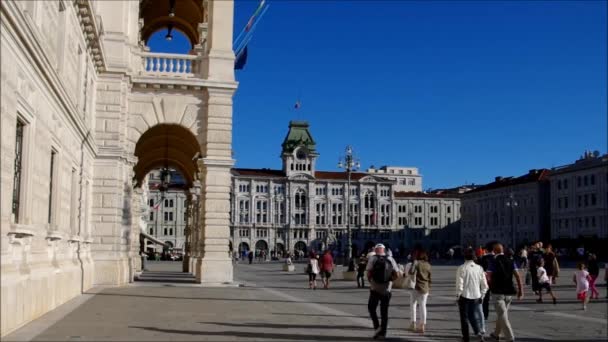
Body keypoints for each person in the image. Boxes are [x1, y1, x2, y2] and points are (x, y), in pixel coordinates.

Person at [488, 243, 523, 342]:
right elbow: (518, 276)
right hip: (509, 292)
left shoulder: (493, 261)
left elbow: (488, 276)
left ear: (494, 251)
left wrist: (488, 286)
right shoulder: (511, 260)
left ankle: (510, 338)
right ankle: (495, 334)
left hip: (497, 292)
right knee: (502, 314)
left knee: (503, 315)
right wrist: (521, 290)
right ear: (502, 250)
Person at [366, 243, 400, 339]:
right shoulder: (390, 259)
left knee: (371, 308)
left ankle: (377, 327)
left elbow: (368, 273)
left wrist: (372, 282)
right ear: (384, 250)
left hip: (375, 288)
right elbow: (397, 274)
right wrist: (390, 281)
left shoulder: (372, 258)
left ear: (376, 250)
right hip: (387, 289)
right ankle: (383, 333)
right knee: (384, 312)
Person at [456, 248, 488, 342]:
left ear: (465, 257)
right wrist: (482, 295)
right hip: (476, 295)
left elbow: (459, 284)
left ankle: (466, 338)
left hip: (465, 296)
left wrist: (458, 296)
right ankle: (478, 333)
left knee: (464, 318)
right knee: (472, 316)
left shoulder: (461, 268)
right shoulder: (479, 268)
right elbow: (485, 285)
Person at [409, 250, 432, 334]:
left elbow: (411, 272)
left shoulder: (417, 263)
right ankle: (422, 325)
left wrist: (414, 262)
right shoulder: (428, 265)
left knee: (413, 305)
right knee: (423, 306)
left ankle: (413, 323)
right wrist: (429, 287)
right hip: (425, 288)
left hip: (416, 287)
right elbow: (430, 278)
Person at [478, 246, 494, 321]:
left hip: (485, 280)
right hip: (495, 281)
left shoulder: (483, 258)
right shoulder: (496, 257)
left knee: (485, 299)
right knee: (498, 299)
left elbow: (479, 269)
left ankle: (485, 315)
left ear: (486, 250)